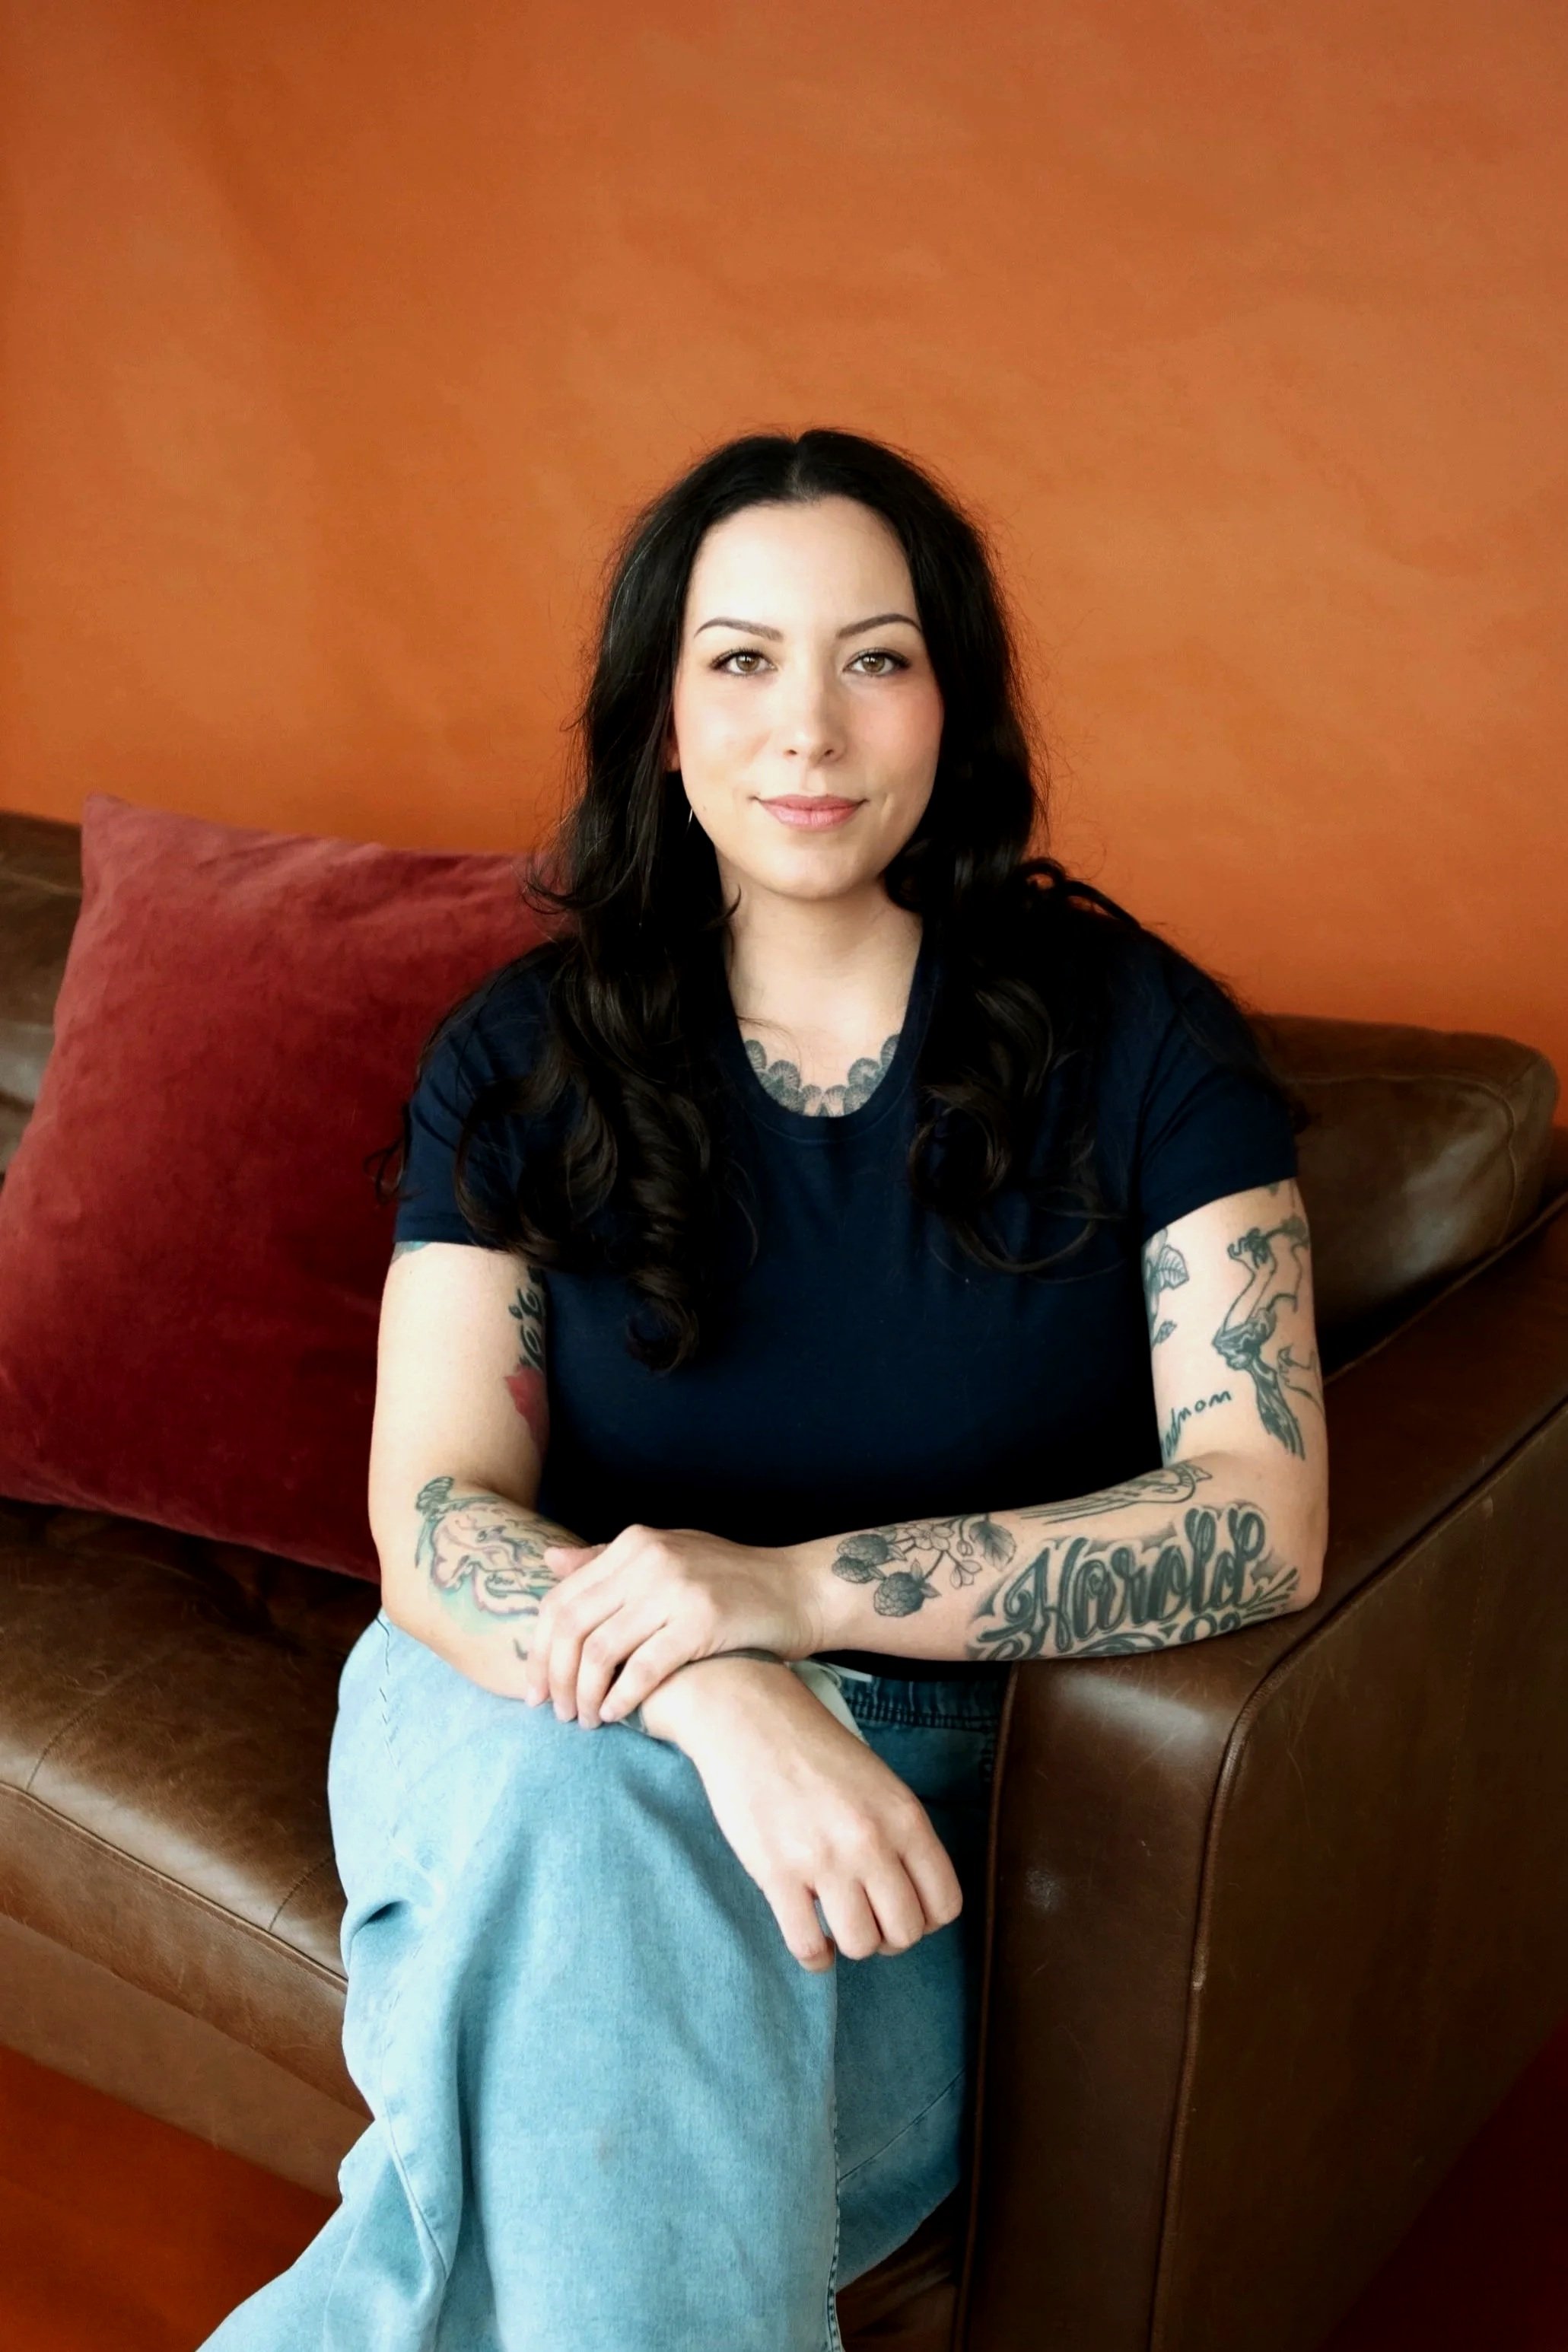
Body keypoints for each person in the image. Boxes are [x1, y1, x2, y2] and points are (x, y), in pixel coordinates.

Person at [199, 428, 1328, 2351]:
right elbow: (435, 1516)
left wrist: (794, 1599)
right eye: (738, 659)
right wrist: (715, 1678)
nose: (805, 726)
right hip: (507, 1700)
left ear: (947, 705)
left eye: (872, 657)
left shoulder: (1132, 1040)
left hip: (906, 1797)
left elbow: (1259, 1506)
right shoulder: (521, 1055)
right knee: (581, 1805)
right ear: (659, 713)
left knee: (491, 2218)